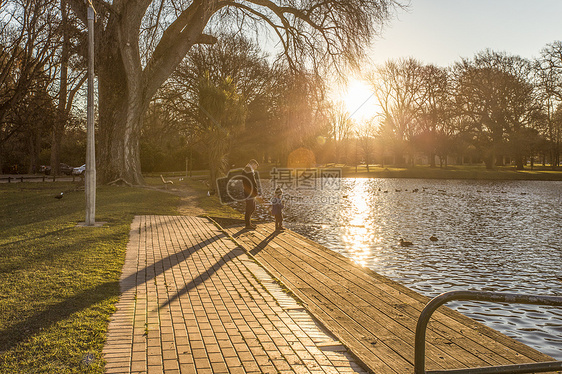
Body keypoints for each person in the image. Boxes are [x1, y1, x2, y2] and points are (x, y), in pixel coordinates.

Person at [242, 159, 260, 229]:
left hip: (250, 192)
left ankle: (249, 223)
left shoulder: (249, 170)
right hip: (249, 192)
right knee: (249, 208)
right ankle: (247, 225)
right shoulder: (248, 170)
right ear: (253, 164)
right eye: (256, 166)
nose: (256, 167)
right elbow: (250, 183)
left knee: (252, 208)